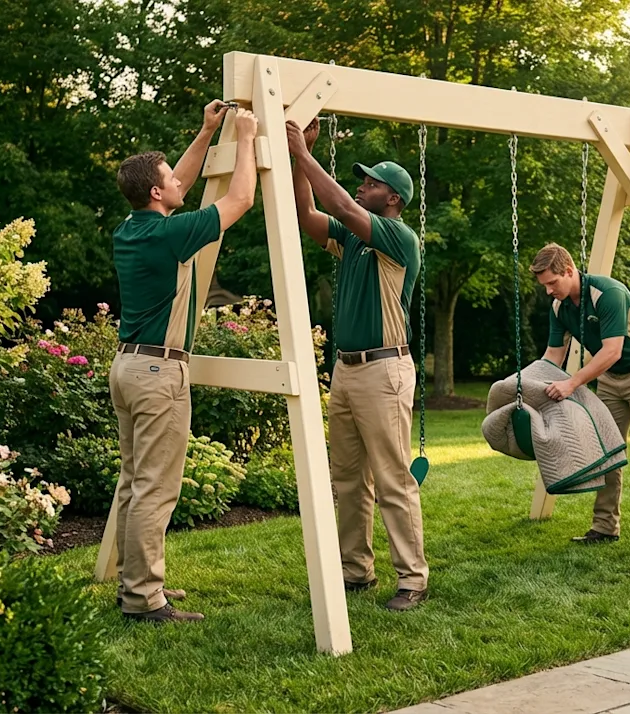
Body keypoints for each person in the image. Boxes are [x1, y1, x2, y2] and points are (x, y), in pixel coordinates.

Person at [109, 101, 260, 623]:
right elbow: (241, 197)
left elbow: (182, 186)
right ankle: (143, 599)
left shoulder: (134, 229)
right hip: (157, 373)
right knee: (155, 489)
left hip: (127, 369)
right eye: (169, 177)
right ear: (156, 191)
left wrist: (206, 130)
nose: (179, 180)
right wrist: (245, 137)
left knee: (134, 483)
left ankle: (135, 586)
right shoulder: (169, 234)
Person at [284, 117, 429, 612]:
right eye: (361, 181)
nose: (361, 188)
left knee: (392, 479)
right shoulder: (351, 240)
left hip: (384, 371)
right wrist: (297, 158)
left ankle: (412, 578)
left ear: (392, 199)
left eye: (371, 183)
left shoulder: (398, 239)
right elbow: (307, 213)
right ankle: (355, 571)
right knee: (347, 479)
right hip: (347, 371)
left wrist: (304, 154)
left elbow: (340, 205)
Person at [532, 243, 630, 555]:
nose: (548, 291)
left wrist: (571, 384)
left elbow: (612, 350)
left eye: (552, 283)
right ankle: (605, 526)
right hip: (609, 378)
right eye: (544, 285)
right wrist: (529, 384)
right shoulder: (559, 307)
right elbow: (553, 355)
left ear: (569, 271)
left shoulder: (608, 293)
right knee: (607, 452)